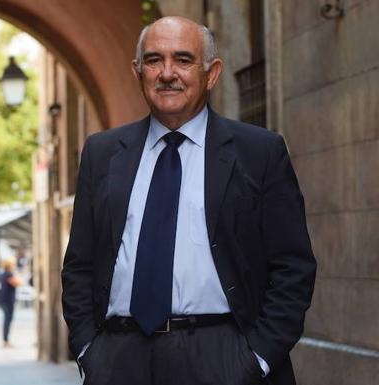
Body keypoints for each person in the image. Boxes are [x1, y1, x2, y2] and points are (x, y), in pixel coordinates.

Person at [61, 16, 316, 385]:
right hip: (119, 359)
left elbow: (294, 267)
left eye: (182, 60)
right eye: (153, 60)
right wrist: (89, 351)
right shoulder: (102, 154)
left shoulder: (259, 153)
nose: (167, 73)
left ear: (211, 73)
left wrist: (256, 358)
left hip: (222, 354)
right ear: (137, 72)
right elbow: (79, 266)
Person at [0, 258, 23, 347]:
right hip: (8, 301)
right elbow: (18, 283)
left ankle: (6, 339)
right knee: (8, 320)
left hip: (4, 300)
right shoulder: (9, 274)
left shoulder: (3, 274)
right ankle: (5, 340)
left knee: (7, 319)